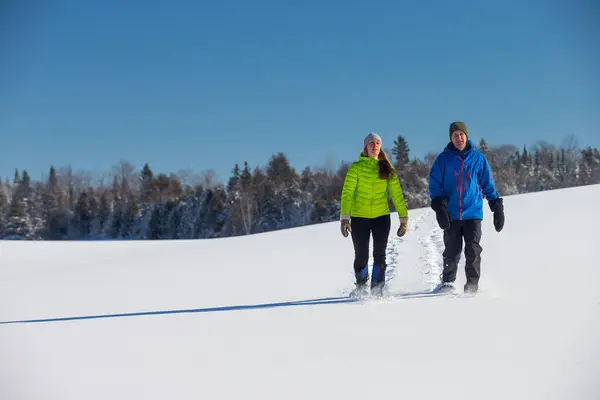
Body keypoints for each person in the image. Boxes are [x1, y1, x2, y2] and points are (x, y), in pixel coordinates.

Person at [428, 121, 505, 294]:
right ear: (451, 138)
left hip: (473, 212)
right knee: (452, 250)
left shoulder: (478, 159)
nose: (458, 138)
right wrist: (440, 206)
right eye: (455, 135)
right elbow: (434, 184)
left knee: (473, 250)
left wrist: (496, 206)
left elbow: (487, 184)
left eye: (461, 134)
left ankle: (472, 286)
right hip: (452, 214)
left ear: (466, 136)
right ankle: (447, 282)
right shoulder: (443, 159)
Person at [340, 132, 409, 296]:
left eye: (377, 143)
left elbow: (397, 194)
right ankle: (361, 286)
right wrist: (344, 218)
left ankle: (377, 290)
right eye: (371, 143)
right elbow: (347, 193)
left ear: (380, 147)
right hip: (359, 218)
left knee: (380, 255)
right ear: (365, 147)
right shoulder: (356, 168)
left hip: (381, 218)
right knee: (362, 255)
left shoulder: (386, 168)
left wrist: (403, 219)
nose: (374, 145)